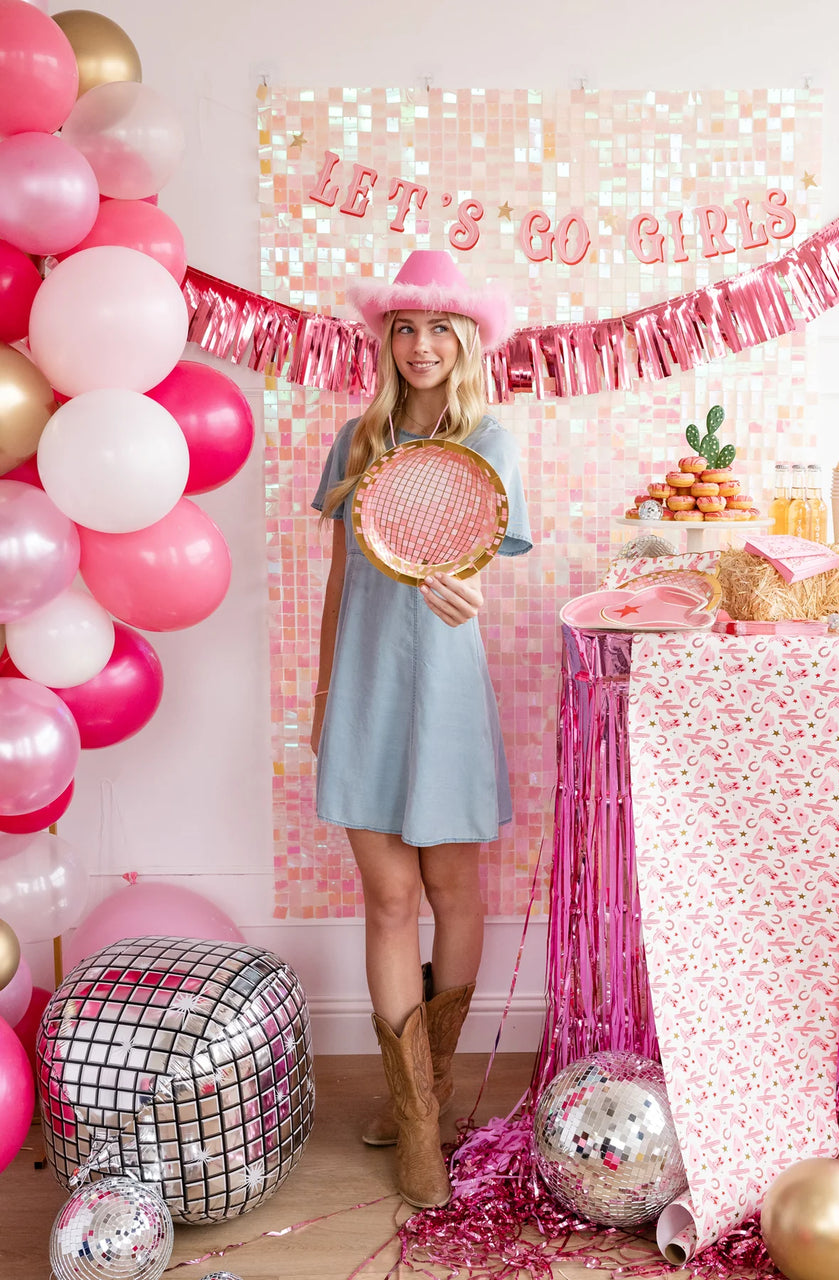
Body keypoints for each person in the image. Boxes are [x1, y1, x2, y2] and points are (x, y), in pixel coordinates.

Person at [310, 250, 531, 1209]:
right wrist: (323, 705)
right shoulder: (356, 443)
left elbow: (485, 565)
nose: (422, 345)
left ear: (466, 339)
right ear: (387, 341)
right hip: (365, 692)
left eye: (439, 328)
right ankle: (414, 1132)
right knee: (388, 898)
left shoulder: (491, 441)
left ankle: (427, 1096)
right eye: (405, 327)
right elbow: (334, 585)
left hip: (445, 695)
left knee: (452, 887)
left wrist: (469, 592)